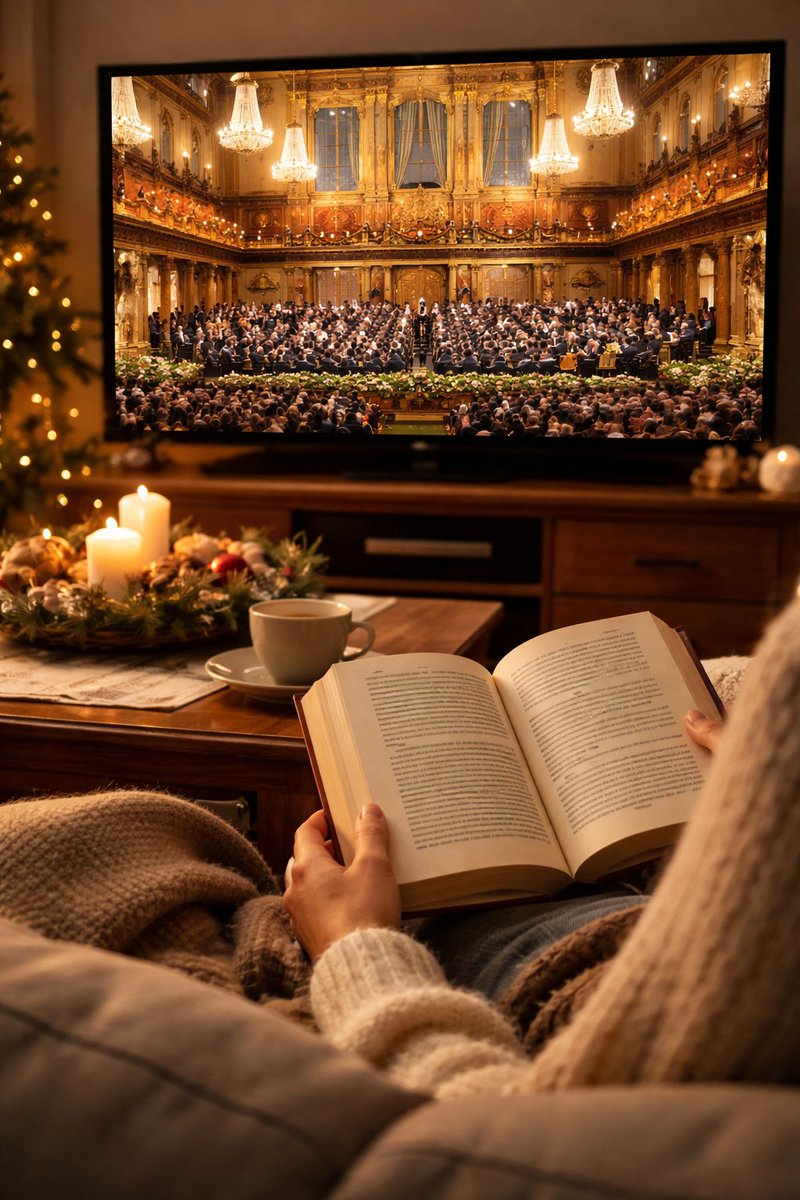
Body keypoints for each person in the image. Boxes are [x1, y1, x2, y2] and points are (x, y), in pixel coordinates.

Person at [283, 598, 800, 1096]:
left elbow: (479, 1117)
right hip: (660, 915)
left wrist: (351, 944)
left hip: (587, 967)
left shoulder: (692, 1049)